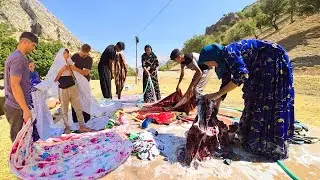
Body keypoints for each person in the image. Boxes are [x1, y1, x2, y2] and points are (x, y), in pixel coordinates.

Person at [198, 39, 295, 160]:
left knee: (267, 99)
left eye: (207, 63)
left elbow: (241, 76)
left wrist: (216, 95)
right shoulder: (223, 61)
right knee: (254, 98)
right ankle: (253, 138)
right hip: (258, 68)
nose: (208, 66)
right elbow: (226, 83)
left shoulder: (229, 51)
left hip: (271, 61)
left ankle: (270, 145)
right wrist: (216, 104)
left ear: (212, 56)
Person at [3, 32, 38, 142]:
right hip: (17, 106)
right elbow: (15, 84)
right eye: (33, 45)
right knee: (19, 141)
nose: (33, 49)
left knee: (23, 140)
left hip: (15, 105)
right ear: (25, 42)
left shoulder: (17, 56)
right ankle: (18, 160)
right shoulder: (18, 58)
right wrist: (25, 109)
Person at [54, 48, 91, 133]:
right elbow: (55, 79)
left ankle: (82, 125)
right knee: (64, 109)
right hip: (63, 89)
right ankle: (67, 127)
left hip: (72, 87)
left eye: (67, 53)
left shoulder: (70, 63)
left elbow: (75, 76)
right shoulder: (57, 64)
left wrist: (70, 69)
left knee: (78, 107)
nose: (66, 54)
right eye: (64, 53)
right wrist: (63, 69)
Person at [71, 44, 93, 124]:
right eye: (83, 52)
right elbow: (69, 65)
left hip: (85, 82)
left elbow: (86, 73)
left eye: (86, 53)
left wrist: (75, 69)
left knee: (86, 99)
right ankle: (75, 120)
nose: (84, 54)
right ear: (80, 49)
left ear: (88, 52)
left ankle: (87, 119)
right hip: (75, 81)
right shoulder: (75, 56)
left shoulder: (89, 59)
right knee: (75, 99)